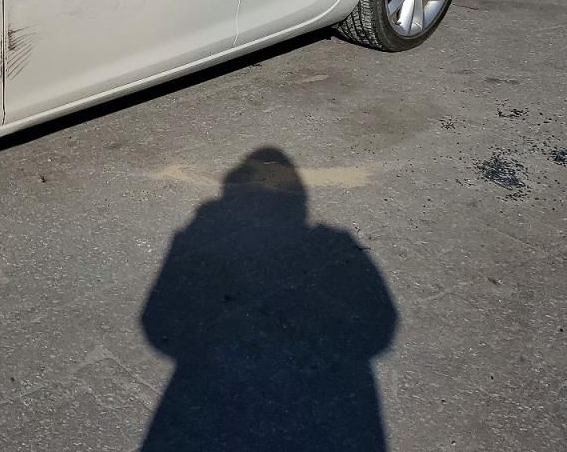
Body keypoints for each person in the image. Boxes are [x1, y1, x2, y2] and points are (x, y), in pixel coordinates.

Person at [139, 148, 398, 452]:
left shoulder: (201, 234)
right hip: (324, 404)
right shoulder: (332, 243)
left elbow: (156, 323)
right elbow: (380, 327)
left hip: (213, 403)